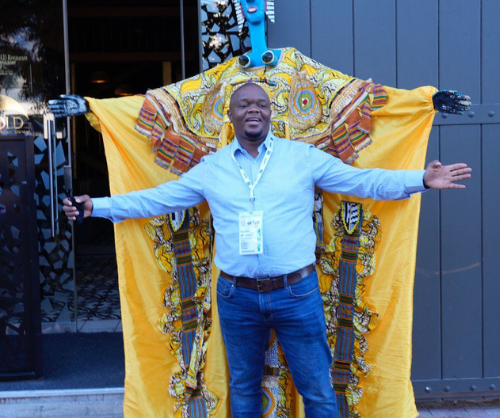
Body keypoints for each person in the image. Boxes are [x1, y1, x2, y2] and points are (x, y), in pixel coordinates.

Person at [63, 82, 471, 418]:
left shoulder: (303, 158)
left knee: (318, 392)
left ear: (271, 112)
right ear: (231, 114)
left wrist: (421, 179)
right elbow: (157, 199)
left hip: (298, 293)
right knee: (243, 393)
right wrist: (96, 206)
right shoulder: (212, 168)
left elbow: (361, 182)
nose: (252, 110)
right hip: (236, 295)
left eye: (260, 103)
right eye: (243, 105)